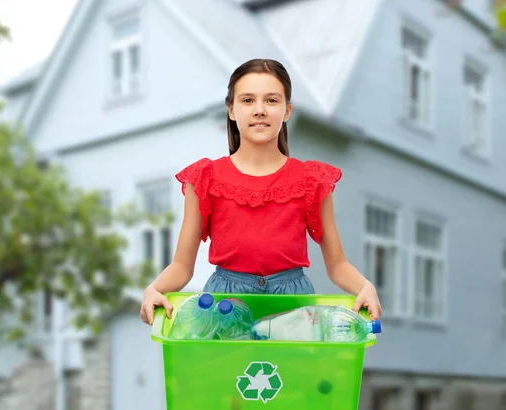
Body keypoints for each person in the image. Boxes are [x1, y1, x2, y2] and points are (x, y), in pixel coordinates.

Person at [140, 58, 382, 325]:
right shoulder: (204, 179)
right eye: (247, 100)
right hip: (225, 306)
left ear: (287, 111)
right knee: (228, 369)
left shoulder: (312, 181)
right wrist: (154, 289)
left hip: (293, 308)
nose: (259, 110)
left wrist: (365, 287)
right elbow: (182, 266)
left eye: (271, 100)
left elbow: (337, 266)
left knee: (289, 369)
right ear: (231, 110)